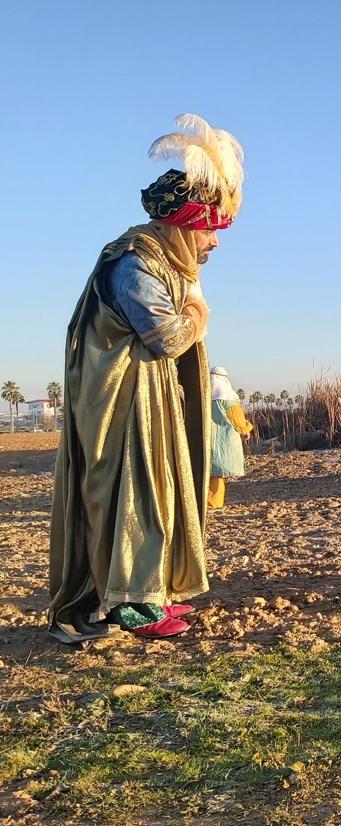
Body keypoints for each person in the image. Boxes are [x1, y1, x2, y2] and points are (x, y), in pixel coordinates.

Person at [48, 114, 244, 643]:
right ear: (182, 224)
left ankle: (147, 594)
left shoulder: (159, 264)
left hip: (146, 404)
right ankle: (126, 603)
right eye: (210, 229)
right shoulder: (137, 264)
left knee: (154, 491)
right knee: (127, 496)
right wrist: (200, 312)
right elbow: (165, 337)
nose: (215, 244)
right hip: (118, 410)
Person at [208, 367, 254, 509]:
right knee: (216, 474)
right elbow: (236, 419)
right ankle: (213, 503)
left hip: (203, 439)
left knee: (206, 471)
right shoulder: (227, 397)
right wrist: (246, 429)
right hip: (222, 440)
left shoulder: (202, 395)